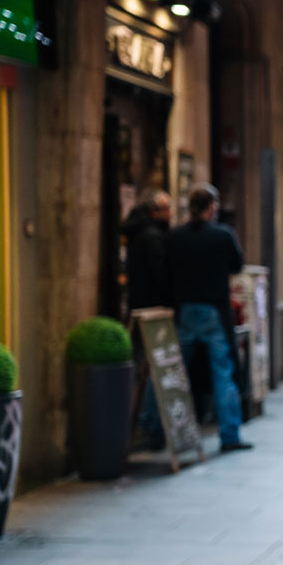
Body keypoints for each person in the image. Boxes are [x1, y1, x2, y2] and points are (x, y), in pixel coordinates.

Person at [168, 184, 252, 453]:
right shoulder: (222, 235)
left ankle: (155, 428)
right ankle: (229, 435)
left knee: (171, 370)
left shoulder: (176, 235)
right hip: (214, 311)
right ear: (211, 207)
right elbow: (237, 265)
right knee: (222, 372)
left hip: (185, 310)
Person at [121, 188, 172, 449]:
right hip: (154, 311)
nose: (170, 214)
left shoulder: (136, 232)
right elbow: (160, 274)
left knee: (142, 366)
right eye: (166, 209)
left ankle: (137, 423)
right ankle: (149, 425)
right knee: (153, 368)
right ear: (155, 211)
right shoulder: (152, 236)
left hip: (138, 306)